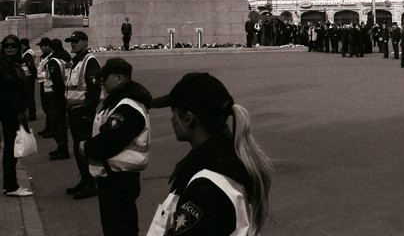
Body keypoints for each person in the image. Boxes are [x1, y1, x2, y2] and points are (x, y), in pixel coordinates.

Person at [148, 73, 272, 236]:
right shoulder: (230, 159)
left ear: (188, 119)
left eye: (174, 112)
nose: (172, 119)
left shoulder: (205, 189)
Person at [80, 58, 152, 236]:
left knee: (121, 230)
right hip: (112, 177)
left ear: (119, 78)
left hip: (119, 180)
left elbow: (108, 142)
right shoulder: (118, 102)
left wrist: (85, 147)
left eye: (105, 77)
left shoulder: (128, 108)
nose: (102, 82)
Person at [64, 30, 101, 199]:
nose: (73, 44)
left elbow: (94, 90)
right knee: (77, 147)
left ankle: (91, 183)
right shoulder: (75, 62)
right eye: (71, 41)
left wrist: (88, 113)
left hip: (83, 112)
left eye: (76, 41)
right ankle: (84, 179)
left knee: (84, 148)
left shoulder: (90, 61)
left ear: (85, 42)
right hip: (73, 111)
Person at [0, 34, 32, 197]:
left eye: (13, 45)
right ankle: (11, 186)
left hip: (15, 111)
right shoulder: (3, 65)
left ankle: (10, 184)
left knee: (11, 148)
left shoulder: (16, 64)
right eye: (7, 45)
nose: (10, 48)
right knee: (10, 149)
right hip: (8, 111)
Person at [46, 39, 71, 160]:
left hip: (56, 95)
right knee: (61, 121)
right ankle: (62, 147)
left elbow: (56, 79)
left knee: (57, 122)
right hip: (66, 92)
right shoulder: (66, 57)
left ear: (52, 47)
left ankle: (62, 148)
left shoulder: (54, 61)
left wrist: (56, 93)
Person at [20, 38, 37, 121]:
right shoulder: (27, 52)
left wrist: (34, 75)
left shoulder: (28, 54)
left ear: (23, 45)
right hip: (28, 76)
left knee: (29, 97)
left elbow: (30, 66)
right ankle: (30, 114)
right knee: (28, 96)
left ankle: (32, 115)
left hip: (28, 77)